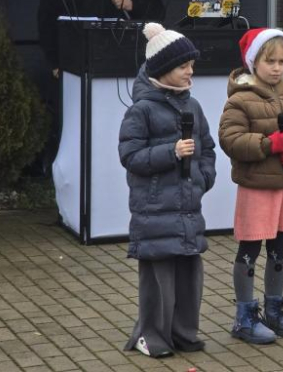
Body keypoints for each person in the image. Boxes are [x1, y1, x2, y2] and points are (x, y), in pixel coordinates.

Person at [218, 28, 283, 344]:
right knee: (250, 248)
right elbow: (230, 140)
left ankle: (275, 309)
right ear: (254, 62)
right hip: (256, 188)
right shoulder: (240, 100)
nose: (277, 67)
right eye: (270, 61)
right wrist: (267, 144)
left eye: (282, 61)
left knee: (280, 249)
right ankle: (244, 316)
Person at [118, 22, 216, 358]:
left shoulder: (193, 106)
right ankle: (152, 336)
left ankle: (183, 333)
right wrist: (170, 152)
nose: (190, 71)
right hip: (155, 209)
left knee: (190, 275)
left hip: (188, 206)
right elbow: (129, 156)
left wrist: (203, 178)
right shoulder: (141, 110)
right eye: (182, 66)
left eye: (191, 65)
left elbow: (207, 148)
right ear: (162, 70)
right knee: (158, 281)